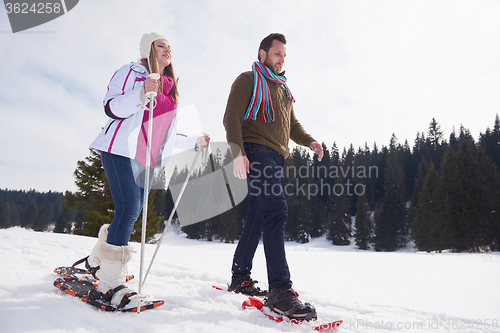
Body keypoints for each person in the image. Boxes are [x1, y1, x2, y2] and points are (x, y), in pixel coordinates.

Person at [79, 32, 209, 311]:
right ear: (148, 49)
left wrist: (194, 141)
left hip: (146, 159)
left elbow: (165, 133)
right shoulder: (132, 72)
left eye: (170, 47)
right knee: (128, 210)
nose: (167, 50)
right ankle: (109, 284)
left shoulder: (169, 89)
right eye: (161, 45)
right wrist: (141, 93)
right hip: (120, 149)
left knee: (131, 211)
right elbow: (111, 106)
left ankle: (96, 261)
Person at [223, 33, 324, 321]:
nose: (281, 59)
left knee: (257, 215)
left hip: (276, 157)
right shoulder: (248, 80)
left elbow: (292, 124)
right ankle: (280, 291)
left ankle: (240, 277)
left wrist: (310, 141)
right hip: (256, 150)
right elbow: (231, 117)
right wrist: (238, 152)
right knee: (276, 210)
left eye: (284, 55)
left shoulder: (282, 89)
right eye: (277, 53)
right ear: (263, 53)